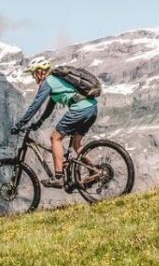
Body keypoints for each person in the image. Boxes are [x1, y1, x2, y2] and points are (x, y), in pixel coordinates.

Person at [10, 60, 98, 188]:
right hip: (92, 107)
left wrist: (20, 124)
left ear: (40, 72)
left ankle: (59, 177)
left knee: (55, 138)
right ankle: (95, 171)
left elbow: (36, 105)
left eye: (34, 73)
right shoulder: (55, 80)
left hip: (80, 109)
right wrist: (39, 122)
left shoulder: (48, 82)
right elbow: (50, 106)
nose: (33, 77)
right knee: (76, 144)